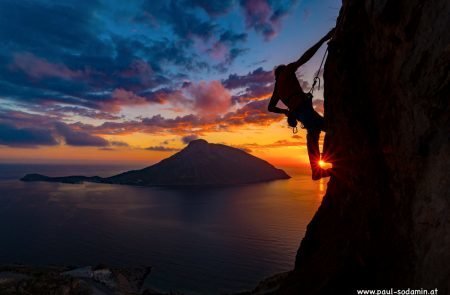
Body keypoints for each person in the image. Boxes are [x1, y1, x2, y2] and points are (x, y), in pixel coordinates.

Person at [268, 29, 334, 180]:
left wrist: (285, 111)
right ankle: (324, 163)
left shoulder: (277, 88)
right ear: (283, 70)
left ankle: (318, 168)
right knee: (327, 128)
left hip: (298, 113)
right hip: (303, 109)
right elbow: (305, 57)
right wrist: (323, 38)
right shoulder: (287, 71)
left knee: (314, 132)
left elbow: (270, 107)